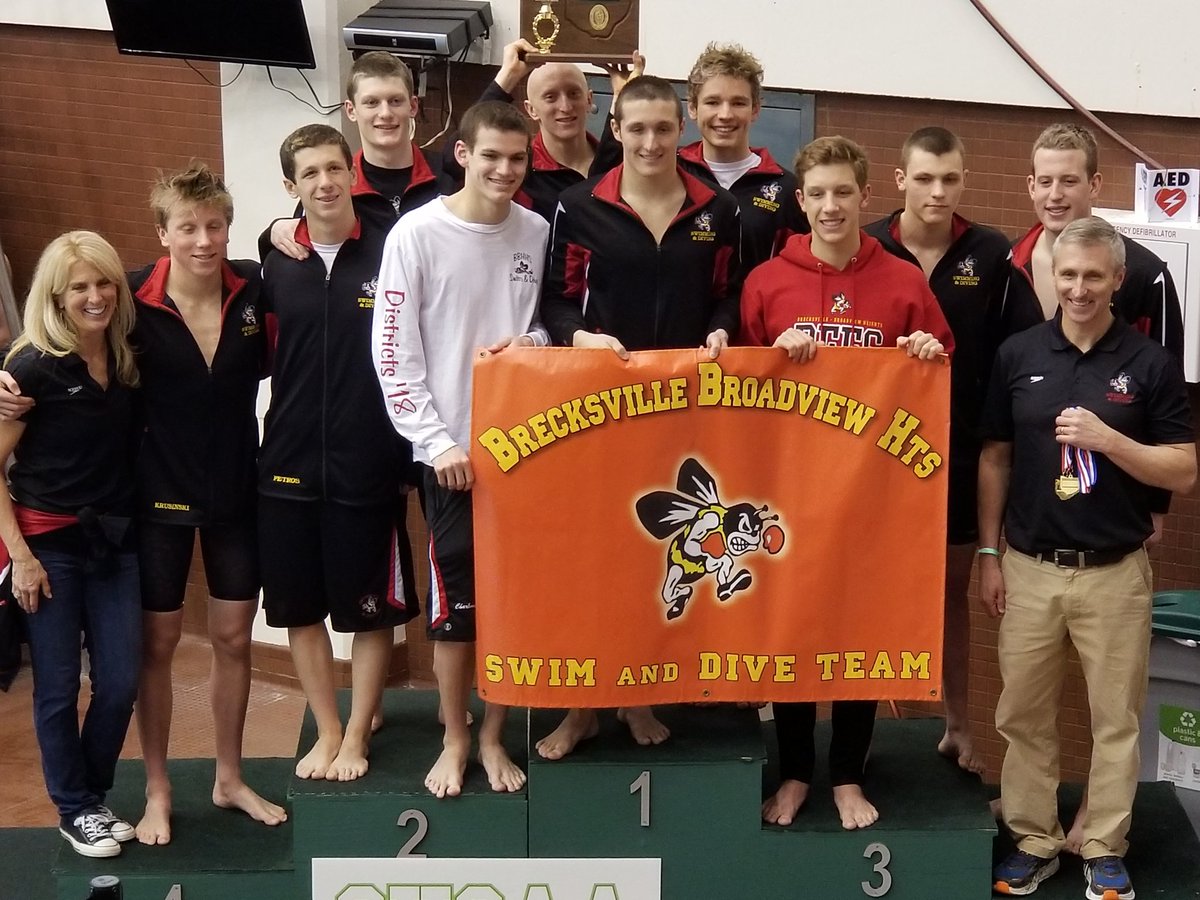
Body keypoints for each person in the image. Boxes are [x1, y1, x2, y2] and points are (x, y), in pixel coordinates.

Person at [0, 166, 287, 844]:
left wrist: (282, 232)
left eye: (214, 225)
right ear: (162, 234)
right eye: (186, 228)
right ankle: (157, 790)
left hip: (235, 495)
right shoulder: (126, 298)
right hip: (151, 504)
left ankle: (228, 776)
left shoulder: (254, 290)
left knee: (233, 640)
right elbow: (53, 328)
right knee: (153, 648)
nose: (202, 240)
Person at [979, 216, 1196, 899]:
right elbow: (994, 457)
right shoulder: (1017, 354)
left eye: (1093, 276)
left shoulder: (1149, 364)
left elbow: (1182, 471)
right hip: (1030, 567)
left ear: (1115, 281)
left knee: (1116, 719)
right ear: (1054, 277)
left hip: (1114, 573)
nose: (1078, 288)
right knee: (1023, 715)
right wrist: (989, 553)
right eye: (1068, 275)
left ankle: (1103, 844)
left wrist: (1109, 440)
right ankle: (1035, 839)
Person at [742, 136, 953, 831]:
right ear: (800, 201)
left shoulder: (903, 282)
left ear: (866, 197)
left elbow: (940, 367)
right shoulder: (768, 282)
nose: (831, 207)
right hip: (788, 497)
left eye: (844, 193)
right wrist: (773, 356)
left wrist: (925, 353)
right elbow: (735, 393)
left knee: (860, 637)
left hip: (873, 499)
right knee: (797, 635)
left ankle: (849, 776)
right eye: (818, 194)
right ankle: (799, 771)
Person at [538, 75, 742, 758]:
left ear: (678, 130)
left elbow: (728, 296)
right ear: (616, 130)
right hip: (598, 411)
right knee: (592, 560)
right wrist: (580, 338)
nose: (651, 141)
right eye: (638, 128)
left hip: (683, 417)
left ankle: (639, 694)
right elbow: (555, 302)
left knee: (655, 557)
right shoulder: (577, 207)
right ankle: (581, 707)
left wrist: (720, 331)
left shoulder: (718, 211)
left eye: (663, 129)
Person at [371, 100, 549, 798]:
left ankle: (496, 734)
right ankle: (453, 735)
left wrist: (531, 344)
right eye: (492, 156)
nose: (505, 170)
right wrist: (436, 440)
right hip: (450, 459)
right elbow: (393, 352)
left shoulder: (536, 230)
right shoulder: (415, 235)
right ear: (463, 156)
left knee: (508, 604)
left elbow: (546, 327)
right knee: (455, 613)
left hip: (527, 450)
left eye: (517, 158)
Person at [863, 127, 1040, 775]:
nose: (939, 192)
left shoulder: (990, 254)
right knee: (866, 590)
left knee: (951, 594)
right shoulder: (868, 247)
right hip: (874, 458)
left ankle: (958, 723)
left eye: (951, 179)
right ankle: (869, 727)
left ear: (962, 182)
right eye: (926, 178)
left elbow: (1025, 350)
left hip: (961, 454)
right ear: (900, 180)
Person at [258, 124, 416, 782]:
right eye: (310, 174)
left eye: (334, 168)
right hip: (286, 467)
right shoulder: (273, 263)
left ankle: (357, 733)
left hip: (367, 465)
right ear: (291, 188)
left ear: (351, 173)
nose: (325, 183)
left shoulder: (390, 251)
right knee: (300, 610)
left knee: (367, 613)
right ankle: (325, 728)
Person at [0, 231, 142, 857]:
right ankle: (75, 806)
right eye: (79, 286)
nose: (95, 296)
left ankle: (93, 794)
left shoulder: (126, 353)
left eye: (103, 282)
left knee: (119, 679)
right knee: (57, 686)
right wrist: (21, 558)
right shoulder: (28, 367)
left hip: (114, 540)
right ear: (55, 296)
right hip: (47, 545)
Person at [440, 39, 642, 222]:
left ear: (589, 100)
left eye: (573, 94)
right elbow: (452, 159)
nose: (565, 106)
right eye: (550, 97)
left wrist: (623, 96)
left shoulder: (619, 159)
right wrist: (508, 77)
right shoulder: (520, 168)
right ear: (531, 109)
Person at [264, 51, 440, 260]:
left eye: (395, 101)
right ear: (351, 110)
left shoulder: (448, 176)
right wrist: (271, 233)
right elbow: (302, 253)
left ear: (412, 106)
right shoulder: (335, 188)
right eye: (371, 102)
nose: (385, 113)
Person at [681, 42, 808, 272]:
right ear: (692, 108)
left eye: (738, 103)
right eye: (713, 102)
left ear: (755, 109)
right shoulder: (672, 172)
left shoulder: (785, 190)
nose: (725, 114)